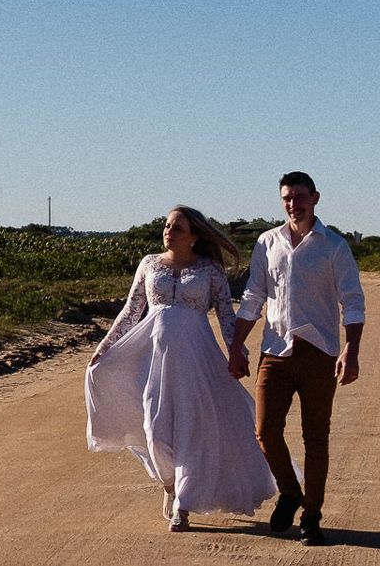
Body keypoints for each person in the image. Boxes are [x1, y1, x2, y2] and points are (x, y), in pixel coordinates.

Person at [86, 206, 277, 531]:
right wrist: (103, 348)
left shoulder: (211, 270)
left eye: (177, 228)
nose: (168, 232)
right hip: (153, 357)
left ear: (194, 236)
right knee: (156, 431)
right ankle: (171, 486)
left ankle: (183, 506)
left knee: (191, 429)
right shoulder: (149, 264)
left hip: (197, 357)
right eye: (167, 226)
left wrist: (236, 352)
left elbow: (226, 316)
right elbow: (132, 311)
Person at [228, 171, 366, 547]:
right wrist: (237, 346)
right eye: (287, 198)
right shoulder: (267, 242)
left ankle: (312, 517)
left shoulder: (334, 246)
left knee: (315, 439)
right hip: (275, 350)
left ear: (315, 198)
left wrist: (350, 352)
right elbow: (254, 296)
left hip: (320, 352)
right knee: (265, 430)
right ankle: (290, 491)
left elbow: (352, 300)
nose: (294, 204)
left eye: (300, 197)